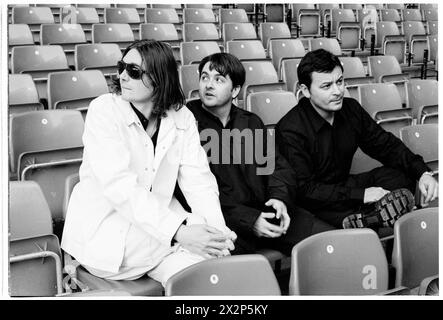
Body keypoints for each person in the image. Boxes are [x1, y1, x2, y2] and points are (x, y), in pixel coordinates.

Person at [61, 40, 236, 286]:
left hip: (160, 238)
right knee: (200, 274)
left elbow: (199, 181)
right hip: (108, 239)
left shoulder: (182, 115)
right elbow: (120, 187)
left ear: (159, 77)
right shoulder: (103, 110)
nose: (122, 76)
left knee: (215, 278)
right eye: (122, 67)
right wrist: (180, 233)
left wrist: (217, 235)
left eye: (133, 71)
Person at [186, 53, 334, 255]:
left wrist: (279, 199)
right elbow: (195, 191)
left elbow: (276, 166)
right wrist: (250, 220)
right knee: (246, 276)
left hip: (265, 211)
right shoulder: (186, 123)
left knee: (330, 243)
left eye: (218, 79)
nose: (208, 85)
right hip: (223, 223)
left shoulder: (250, 122)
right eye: (204, 77)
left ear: (235, 89)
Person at [275, 49, 438, 229]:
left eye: (340, 81)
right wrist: (361, 195)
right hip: (315, 198)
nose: (337, 91)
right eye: (326, 86)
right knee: (315, 208)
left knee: (400, 175)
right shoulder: (290, 129)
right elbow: (305, 190)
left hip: (345, 186)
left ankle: (366, 216)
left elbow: (385, 145)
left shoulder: (350, 109)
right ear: (305, 90)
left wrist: (422, 172)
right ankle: (367, 216)